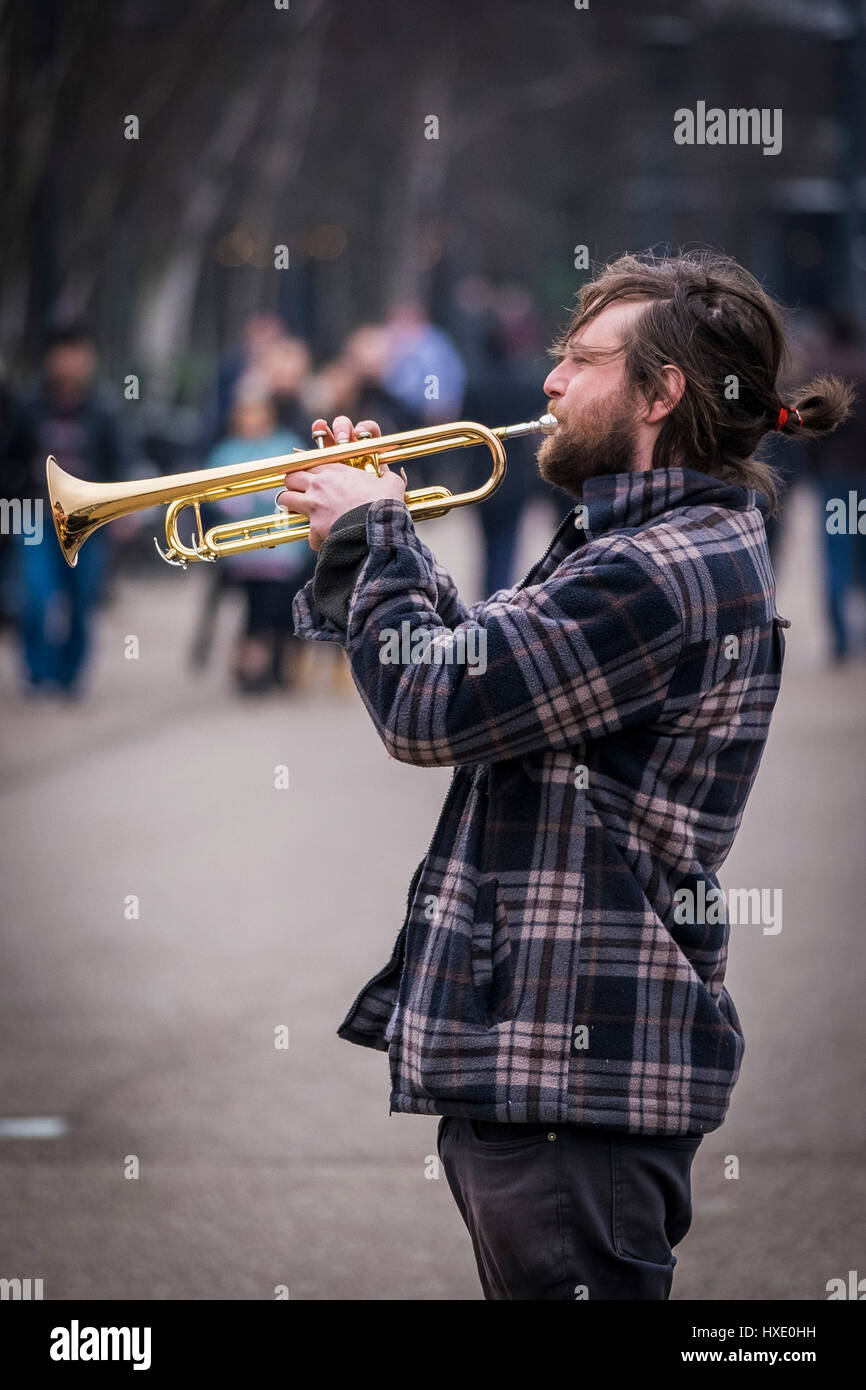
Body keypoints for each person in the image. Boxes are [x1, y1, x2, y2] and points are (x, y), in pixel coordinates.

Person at [281, 250, 852, 1301]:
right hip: (556, 1070)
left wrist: (372, 536)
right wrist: (363, 539)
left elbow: (431, 707)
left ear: (660, 390)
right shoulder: (632, 540)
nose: (548, 380)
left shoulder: (655, 568)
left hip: (574, 1077)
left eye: (579, 360)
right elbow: (489, 684)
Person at [2, 324, 131, 697]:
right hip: (32, 517)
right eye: (64, 353)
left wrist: (119, 513)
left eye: (78, 353)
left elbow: (120, 463)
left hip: (89, 522)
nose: (71, 363)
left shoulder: (104, 408)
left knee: (81, 599)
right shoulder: (27, 406)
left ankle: (71, 677)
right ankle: (38, 677)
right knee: (33, 595)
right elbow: (8, 463)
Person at [204, 385, 312, 694]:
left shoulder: (285, 444)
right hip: (245, 553)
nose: (251, 419)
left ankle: (277, 667)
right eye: (245, 413)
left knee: (282, 610)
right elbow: (212, 494)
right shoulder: (225, 451)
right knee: (255, 611)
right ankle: (252, 667)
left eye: (257, 412)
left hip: (284, 552)